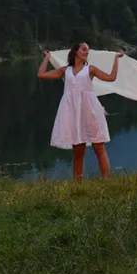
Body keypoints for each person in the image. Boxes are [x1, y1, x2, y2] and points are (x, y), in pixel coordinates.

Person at [38, 43, 124, 181]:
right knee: (78, 150)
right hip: (73, 112)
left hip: (90, 110)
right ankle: (78, 184)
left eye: (88, 50)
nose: (87, 52)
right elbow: (41, 74)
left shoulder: (90, 69)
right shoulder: (65, 70)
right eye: (84, 49)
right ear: (75, 51)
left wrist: (116, 59)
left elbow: (111, 78)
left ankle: (106, 181)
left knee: (99, 147)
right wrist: (47, 58)